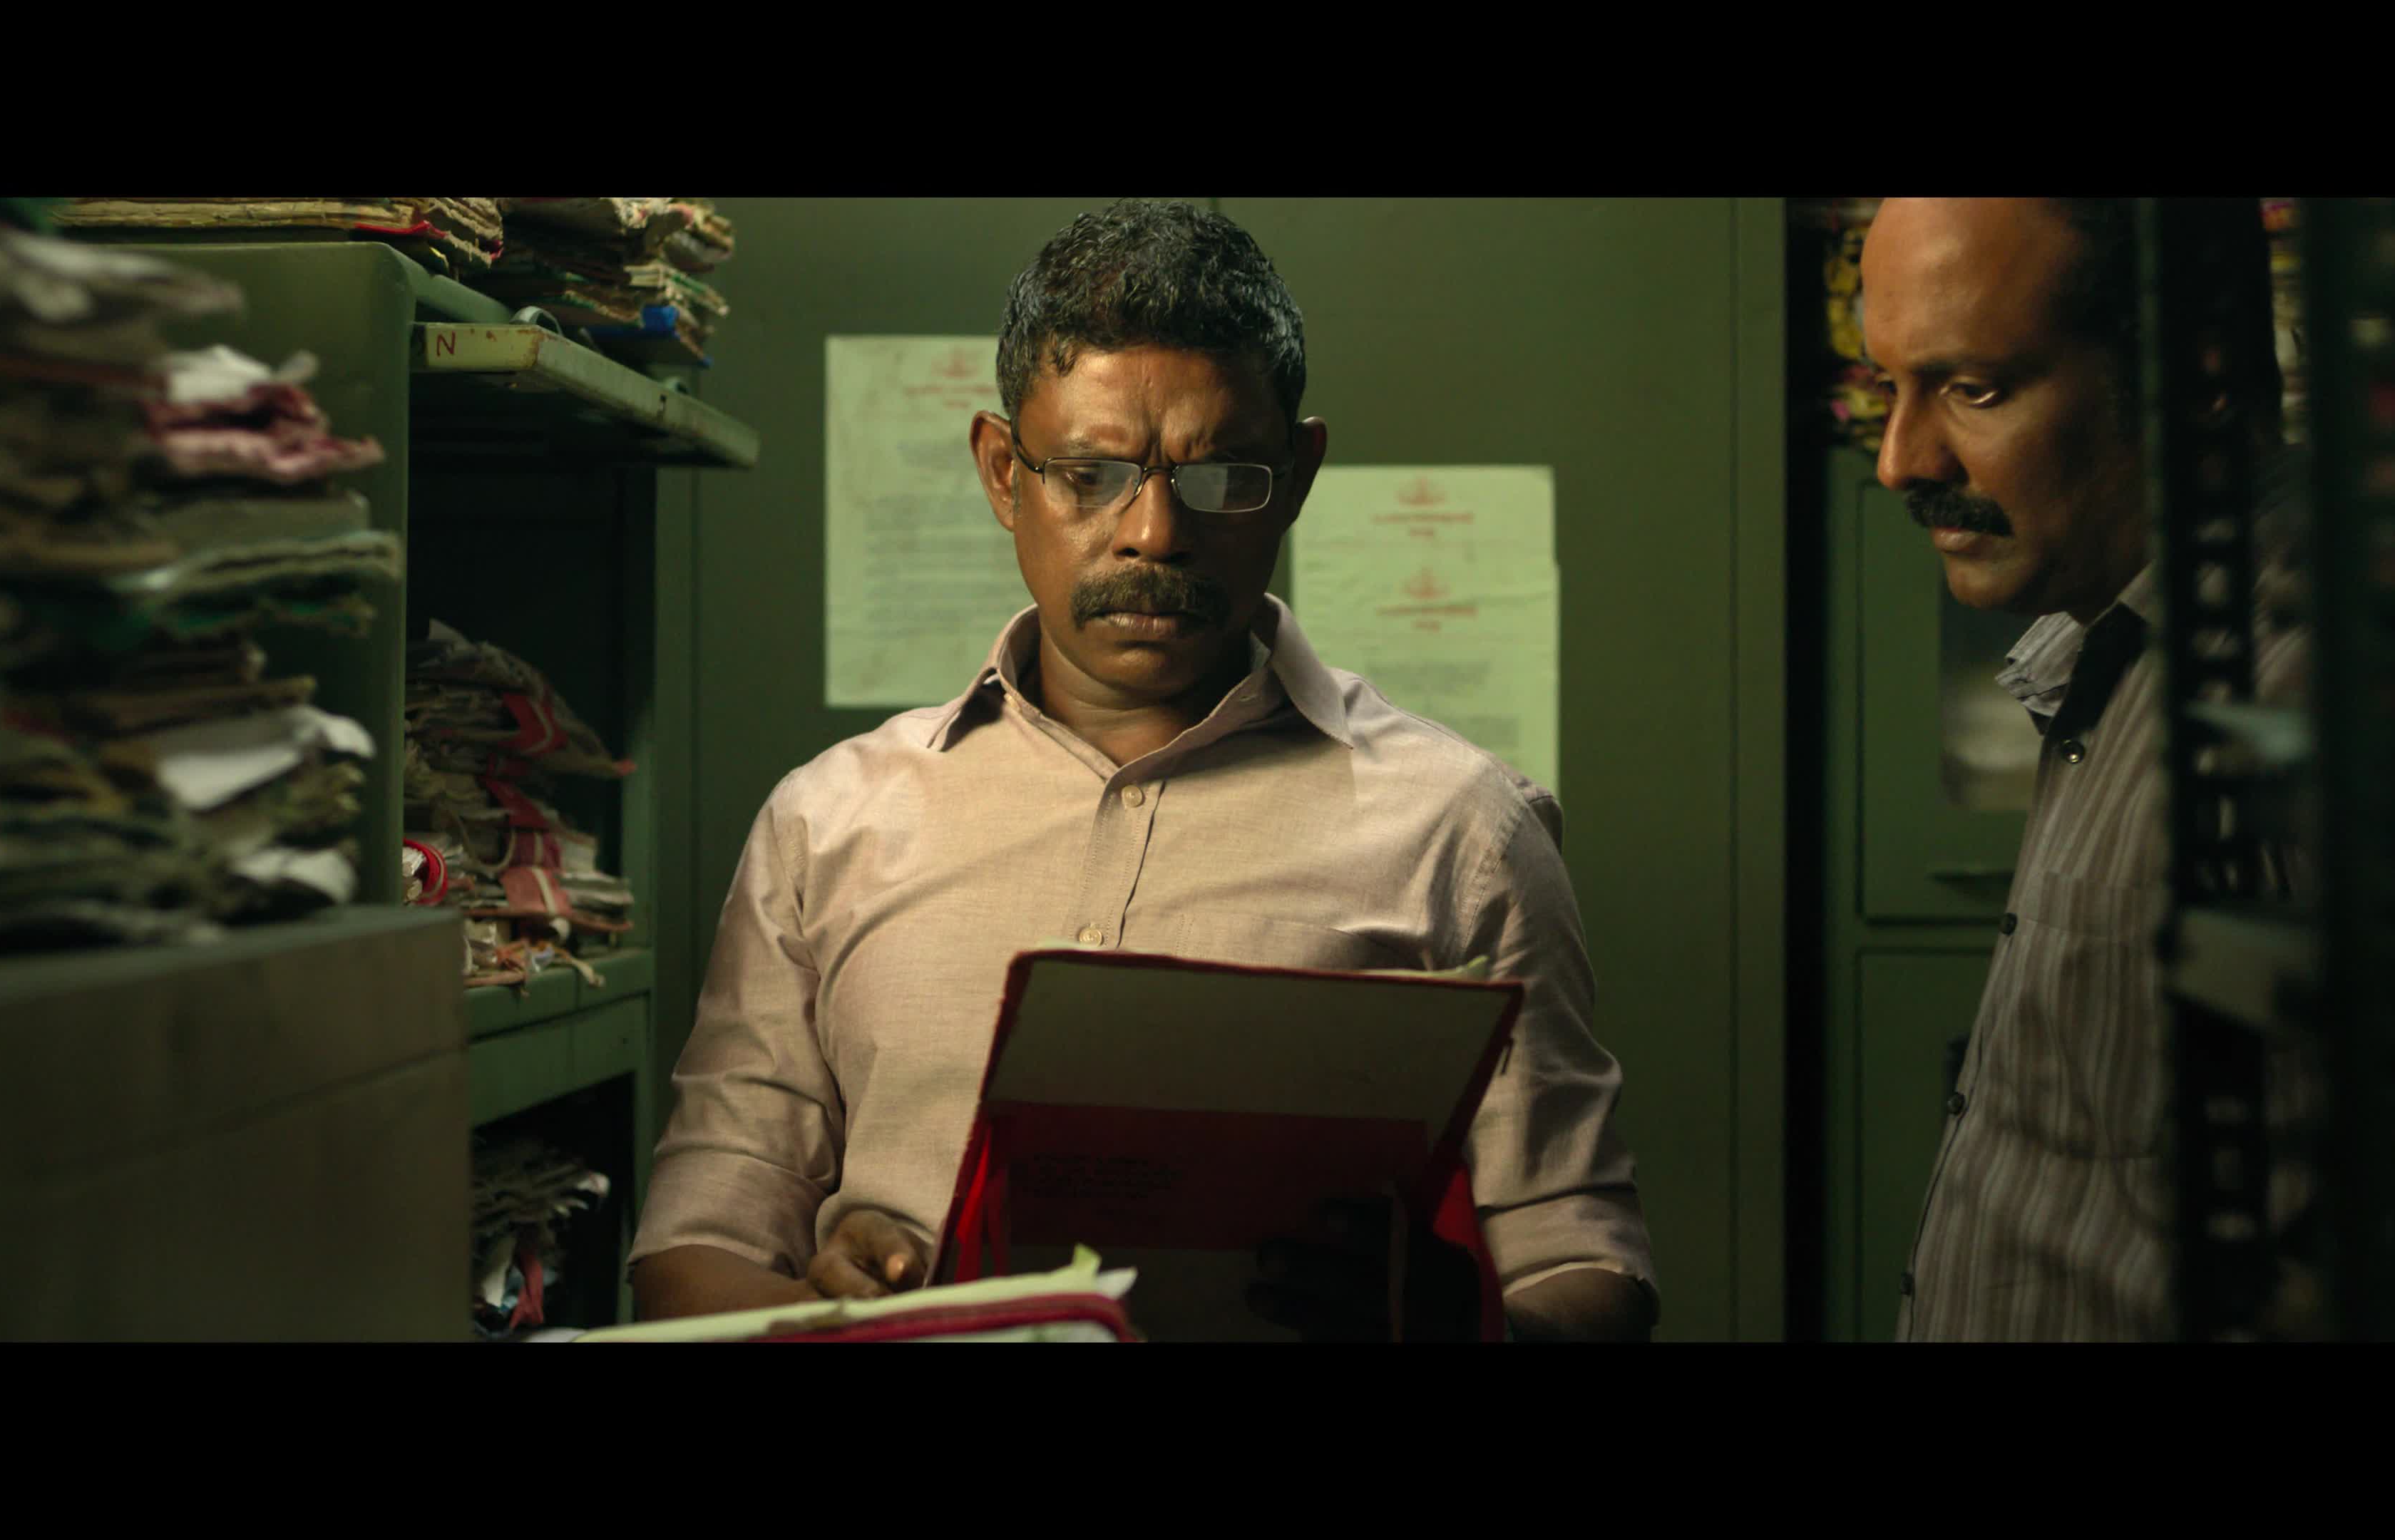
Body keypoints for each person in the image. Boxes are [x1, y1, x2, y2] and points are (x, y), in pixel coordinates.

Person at [625, 199, 1657, 1341]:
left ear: (1298, 475)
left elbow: (1585, 1262)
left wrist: (1457, 1328)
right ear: (1002, 471)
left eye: (1225, 478)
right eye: (1090, 474)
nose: (1155, 533)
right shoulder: (826, 825)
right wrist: (837, 1318)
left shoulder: (1465, 833)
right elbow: (693, 1259)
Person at [1859, 196, 2310, 1340]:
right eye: (1886, 388)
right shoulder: (2120, 654)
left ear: (2195, 377)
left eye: (1975, 389)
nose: (1901, 462)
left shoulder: (2315, 695)